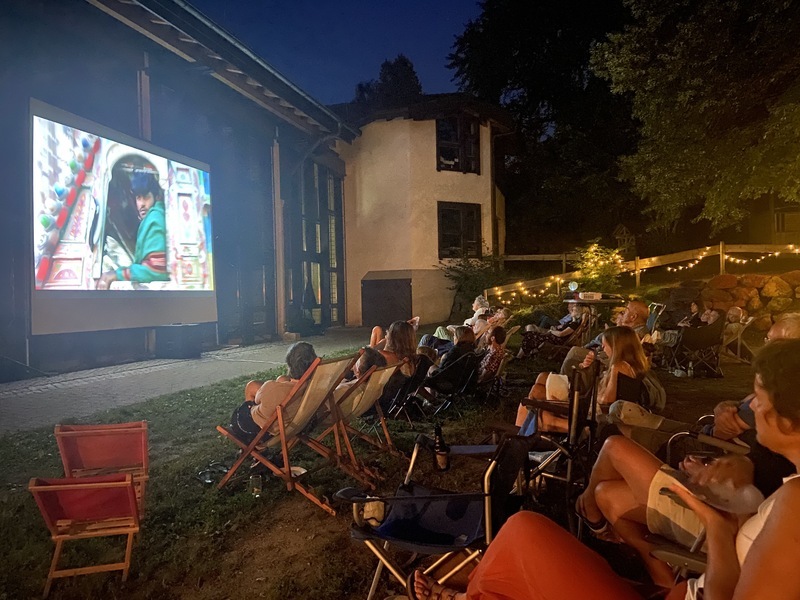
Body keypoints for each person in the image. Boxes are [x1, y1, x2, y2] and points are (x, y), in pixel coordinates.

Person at [413, 339, 800, 600]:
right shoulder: (789, 492)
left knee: (521, 532)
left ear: (787, 420)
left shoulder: (795, 504)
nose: (751, 404)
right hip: (688, 587)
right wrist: (727, 516)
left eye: (759, 396)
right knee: (518, 547)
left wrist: (717, 526)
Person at [517, 326, 649, 432]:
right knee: (535, 398)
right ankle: (520, 437)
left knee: (535, 404)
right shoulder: (632, 366)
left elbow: (606, 401)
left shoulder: (618, 366)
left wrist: (577, 401)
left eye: (605, 345)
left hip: (593, 416)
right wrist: (588, 368)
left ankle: (519, 439)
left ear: (616, 346)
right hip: (593, 409)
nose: (603, 348)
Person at [229, 342, 317, 444]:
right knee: (281, 379)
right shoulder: (315, 385)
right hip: (299, 422)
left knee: (251, 390)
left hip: (260, 428)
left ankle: (255, 442)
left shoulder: (272, 387)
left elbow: (257, 400)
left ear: (290, 364)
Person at [97, 171, 169, 288]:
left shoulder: (155, 219)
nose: (141, 204)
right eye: (138, 198)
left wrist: (117, 275)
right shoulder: (151, 219)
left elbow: (156, 269)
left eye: (146, 197)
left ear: (157, 198)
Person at [516, 303, 589, 359]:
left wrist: (551, 331)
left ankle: (520, 356)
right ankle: (524, 355)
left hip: (556, 339)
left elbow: (561, 334)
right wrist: (555, 329)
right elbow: (560, 329)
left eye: (573, 310)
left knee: (529, 336)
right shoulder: (571, 322)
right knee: (530, 335)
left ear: (577, 313)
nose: (571, 311)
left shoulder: (574, 324)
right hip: (554, 337)